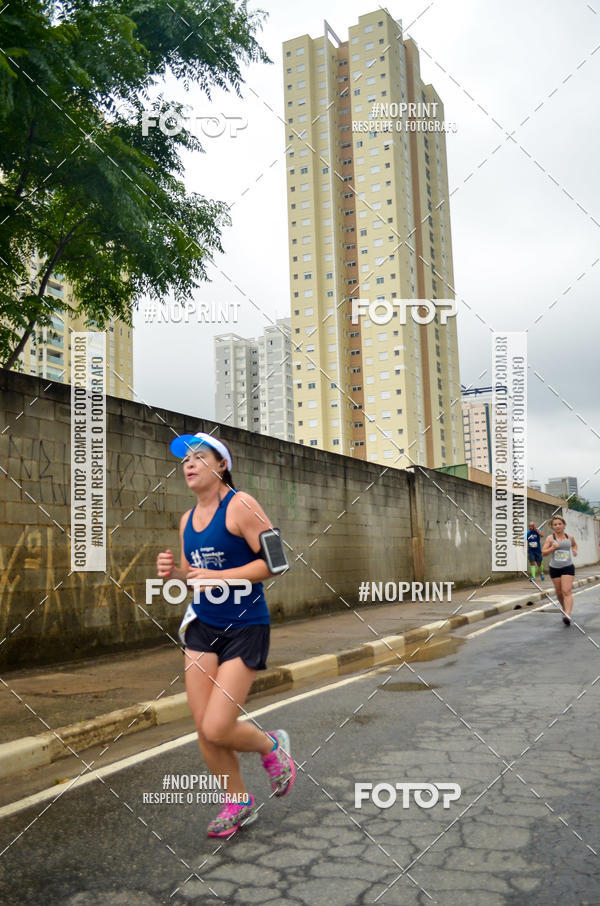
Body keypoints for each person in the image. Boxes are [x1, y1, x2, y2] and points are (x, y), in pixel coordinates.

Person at [156, 431, 295, 837]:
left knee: (219, 726)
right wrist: (174, 574)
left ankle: (271, 746)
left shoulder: (242, 505)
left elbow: (278, 562)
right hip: (202, 625)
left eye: (200, 456)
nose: (189, 463)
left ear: (222, 466)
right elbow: (192, 576)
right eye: (184, 459)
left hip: (245, 626)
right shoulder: (187, 520)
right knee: (203, 728)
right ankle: (238, 802)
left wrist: (221, 575)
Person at [542, 515, 578, 626]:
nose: (557, 526)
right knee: (559, 592)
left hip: (568, 567)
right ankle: (564, 607)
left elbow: (574, 544)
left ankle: (567, 614)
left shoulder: (570, 537)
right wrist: (552, 548)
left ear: (564, 525)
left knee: (566, 590)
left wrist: (574, 550)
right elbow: (543, 552)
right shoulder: (550, 538)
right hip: (554, 568)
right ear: (552, 527)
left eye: (559, 524)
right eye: (555, 525)